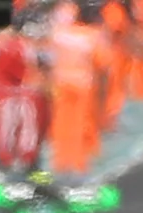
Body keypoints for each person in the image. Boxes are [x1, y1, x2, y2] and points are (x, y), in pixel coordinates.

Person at [45, 0, 110, 174]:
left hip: (60, 82)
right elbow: (102, 63)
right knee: (80, 122)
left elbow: (48, 56)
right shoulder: (91, 36)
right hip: (82, 84)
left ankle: (60, 161)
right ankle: (78, 162)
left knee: (61, 122)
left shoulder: (59, 34)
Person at [0, 12, 46, 171]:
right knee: (27, 126)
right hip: (23, 91)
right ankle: (25, 157)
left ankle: (7, 157)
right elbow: (33, 66)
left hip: (4, 92)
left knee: (7, 126)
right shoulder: (25, 45)